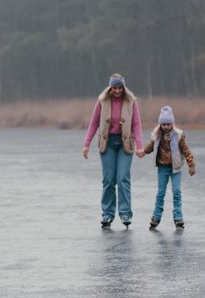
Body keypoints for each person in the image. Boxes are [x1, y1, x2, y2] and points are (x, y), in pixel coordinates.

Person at [82, 73, 142, 228]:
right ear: (110, 88)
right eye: (114, 88)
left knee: (123, 178)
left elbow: (136, 125)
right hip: (107, 143)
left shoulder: (131, 101)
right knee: (108, 180)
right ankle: (107, 215)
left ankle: (125, 214)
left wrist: (140, 146)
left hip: (125, 144)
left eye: (119, 88)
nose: (117, 91)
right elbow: (94, 123)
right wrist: (86, 144)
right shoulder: (102, 101)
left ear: (123, 87)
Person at [138, 105, 196, 230]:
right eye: (163, 124)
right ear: (160, 125)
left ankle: (178, 217)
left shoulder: (179, 135)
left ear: (172, 124)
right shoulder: (156, 135)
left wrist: (191, 165)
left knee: (176, 192)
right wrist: (143, 152)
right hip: (162, 168)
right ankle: (156, 217)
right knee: (160, 193)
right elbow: (150, 147)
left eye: (168, 124)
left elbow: (186, 151)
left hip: (176, 169)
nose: (166, 127)